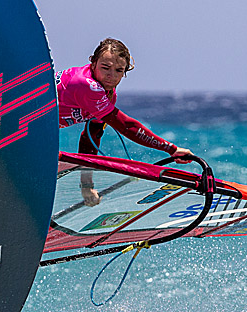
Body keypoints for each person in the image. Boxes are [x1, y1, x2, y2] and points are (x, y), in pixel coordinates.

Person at [57, 38, 193, 205]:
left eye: (119, 70)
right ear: (93, 63)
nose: (111, 76)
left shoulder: (108, 94)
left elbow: (91, 136)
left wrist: (86, 185)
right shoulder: (86, 85)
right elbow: (127, 126)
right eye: (105, 68)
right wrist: (171, 149)